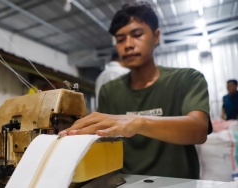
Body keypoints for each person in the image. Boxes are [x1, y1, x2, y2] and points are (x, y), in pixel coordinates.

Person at [59, 1, 212, 179]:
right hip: (128, 182)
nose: (128, 45)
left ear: (156, 36)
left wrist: (138, 123)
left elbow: (198, 129)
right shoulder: (110, 91)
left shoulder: (188, 79)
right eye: (120, 39)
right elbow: (103, 140)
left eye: (137, 35)